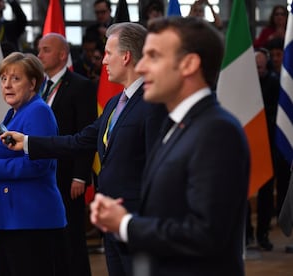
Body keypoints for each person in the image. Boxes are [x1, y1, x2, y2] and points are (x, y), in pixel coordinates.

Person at [0, 22, 168, 276]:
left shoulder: (153, 102)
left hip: (137, 221)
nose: (103, 62)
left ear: (126, 56)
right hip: (112, 221)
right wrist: (28, 142)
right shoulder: (114, 103)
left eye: (108, 54)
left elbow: (158, 168)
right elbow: (79, 140)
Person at [89, 17, 250, 275]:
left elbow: (206, 234)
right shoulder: (178, 123)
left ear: (189, 64)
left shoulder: (217, 131)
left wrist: (126, 224)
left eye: (153, 56)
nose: (141, 66)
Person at [0, 52, 67, 276]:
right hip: (10, 219)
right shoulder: (14, 113)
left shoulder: (38, 112)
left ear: (33, 83)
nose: (7, 85)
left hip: (29, 220)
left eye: (16, 79)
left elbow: (40, 164)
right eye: (4, 78)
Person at [37, 32, 97, 276]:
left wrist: (81, 176)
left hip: (68, 175)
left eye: (45, 50)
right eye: (39, 49)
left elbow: (86, 131)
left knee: (72, 237)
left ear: (62, 55)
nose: (39, 54)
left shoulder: (81, 85)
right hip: (43, 174)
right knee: (50, 238)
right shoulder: (39, 86)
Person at [245, 48, 280, 251]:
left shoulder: (274, 82)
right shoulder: (244, 84)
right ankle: (247, 233)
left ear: (266, 64)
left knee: (266, 192)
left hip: (267, 143)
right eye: (254, 65)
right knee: (245, 190)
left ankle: (263, 234)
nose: (257, 68)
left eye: (260, 65)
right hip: (247, 142)